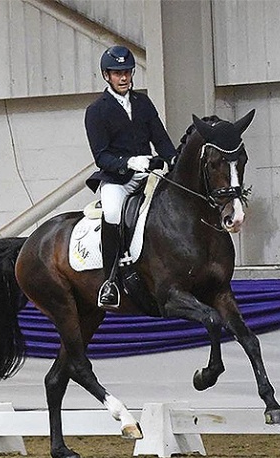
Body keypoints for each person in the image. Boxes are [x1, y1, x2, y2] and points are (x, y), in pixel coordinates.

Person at [85, 45, 177, 309]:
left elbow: (160, 139)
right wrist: (130, 162)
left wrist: (172, 160)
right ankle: (111, 280)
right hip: (118, 181)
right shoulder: (96, 111)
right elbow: (101, 157)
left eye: (126, 72)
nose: (123, 78)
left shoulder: (143, 103)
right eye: (117, 73)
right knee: (112, 214)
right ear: (107, 76)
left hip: (148, 175)